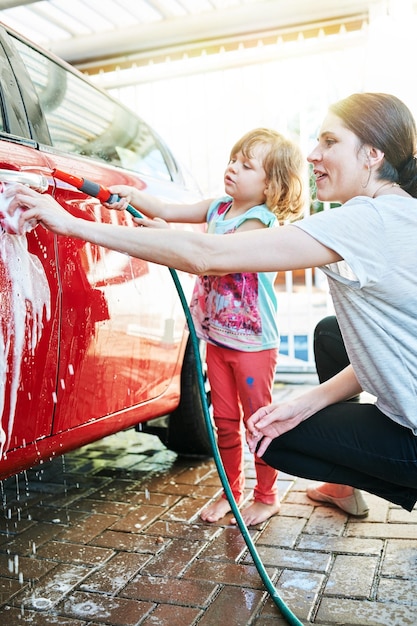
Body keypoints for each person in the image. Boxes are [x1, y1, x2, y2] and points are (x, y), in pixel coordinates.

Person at [9, 92, 417, 516]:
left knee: (271, 439)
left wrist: (71, 223)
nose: (313, 154)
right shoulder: (398, 213)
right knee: (330, 334)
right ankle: (343, 484)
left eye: (329, 142)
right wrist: (304, 402)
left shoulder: (368, 219)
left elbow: (208, 256)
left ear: (372, 154)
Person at [103, 128, 305, 526]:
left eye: (247, 166)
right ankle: (232, 492)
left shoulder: (258, 222)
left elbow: (218, 258)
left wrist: (168, 237)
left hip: (252, 346)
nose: (233, 168)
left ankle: (267, 495)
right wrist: (132, 194)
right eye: (233, 159)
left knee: (257, 422)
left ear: (272, 185)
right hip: (217, 337)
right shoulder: (217, 208)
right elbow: (166, 208)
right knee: (224, 423)